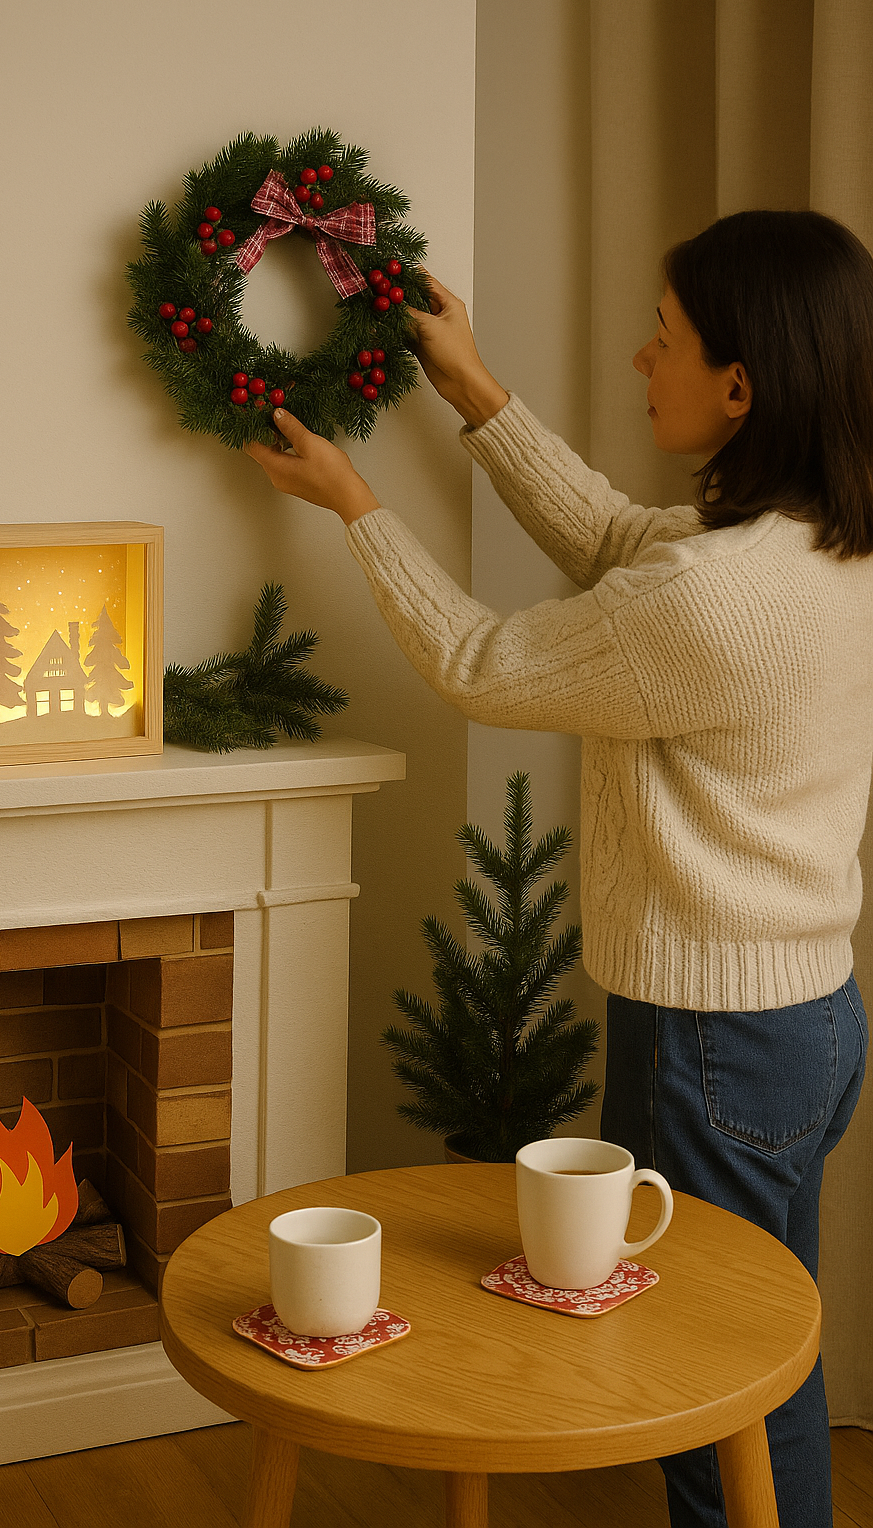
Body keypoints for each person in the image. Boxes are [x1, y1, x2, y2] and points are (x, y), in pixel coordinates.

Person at [246, 209, 873, 1528]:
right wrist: (471, 388)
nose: (643, 362)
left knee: (707, 1387)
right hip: (805, 1016)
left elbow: (483, 665)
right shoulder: (819, 544)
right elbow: (611, 540)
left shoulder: (711, 599)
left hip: (713, 1038)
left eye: (662, 341)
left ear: (741, 385)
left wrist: (356, 505)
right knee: (766, 1359)